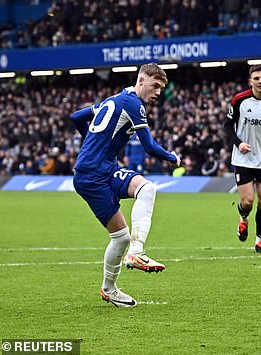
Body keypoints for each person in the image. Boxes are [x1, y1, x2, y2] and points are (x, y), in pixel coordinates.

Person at [70, 63, 180, 307]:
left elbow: (77, 117)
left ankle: (136, 252)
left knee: (146, 188)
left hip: (106, 168)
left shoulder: (114, 100)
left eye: (161, 88)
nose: (158, 92)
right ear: (141, 80)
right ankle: (111, 287)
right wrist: (173, 158)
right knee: (120, 238)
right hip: (91, 176)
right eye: (155, 86)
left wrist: (92, 144)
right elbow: (149, 147)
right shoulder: (133, 105)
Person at [224, 65, 261, 254]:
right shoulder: (240, 100)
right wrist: (238, 143)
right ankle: (244, 219)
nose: (260, 81)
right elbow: (227, 126)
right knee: (248, 201)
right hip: (243, 158)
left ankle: (259, 240)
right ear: (250, 81)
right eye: (256, 78)